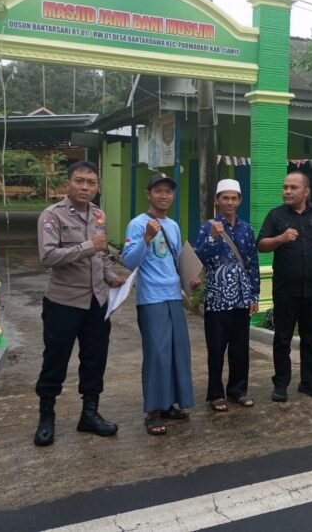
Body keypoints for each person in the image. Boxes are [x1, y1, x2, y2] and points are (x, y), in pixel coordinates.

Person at [34, 161, 127, 447]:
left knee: (94, 360)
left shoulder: (99, 216)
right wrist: (89, 246)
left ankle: (90, 414)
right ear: (68, 183)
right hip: (63, 302)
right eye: (79, 181)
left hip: (97, 302)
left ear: (98, 186)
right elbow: (48, 257)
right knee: (56, 360)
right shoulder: (52, 216)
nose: (85, 187)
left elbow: (99, 259)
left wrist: (111, 278)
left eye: (91, 182)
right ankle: (46, 417)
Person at [122, 173, 195, 436]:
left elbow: (175, 261)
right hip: (151, 298)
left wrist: (189, 280)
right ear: (148, 194)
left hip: (174, 296)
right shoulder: (137, 224)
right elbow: (129, 262)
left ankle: (169, 404)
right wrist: (146, 239)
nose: (164, 196)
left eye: (168, 192)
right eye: (158, 191)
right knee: (157, 354)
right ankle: (153, 411)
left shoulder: (173, 225)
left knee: (177, 352)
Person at [257, 171, 312, 402]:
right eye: (285, 187)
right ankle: (281, 383)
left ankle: (309, 382)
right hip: (285, 289)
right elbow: (261, 245)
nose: (287, 191)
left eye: (293, 187)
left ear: (306, 191)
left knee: (310, 337)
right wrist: (280, 239)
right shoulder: (276, 216)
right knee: (282, 338)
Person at [194, 179, 260, 412]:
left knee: (240, 349)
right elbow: (198, 258)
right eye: (225, 197)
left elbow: (252, 263)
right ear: (217, 200)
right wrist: (212, 236)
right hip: (217, 299)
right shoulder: (207, 227)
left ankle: (238, 391)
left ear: (239, 200)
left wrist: (254, 295)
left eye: (234, 198)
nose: (229, 202)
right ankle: (215, 394)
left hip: (242, 299)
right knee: (216, 349)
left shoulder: (246, 229)